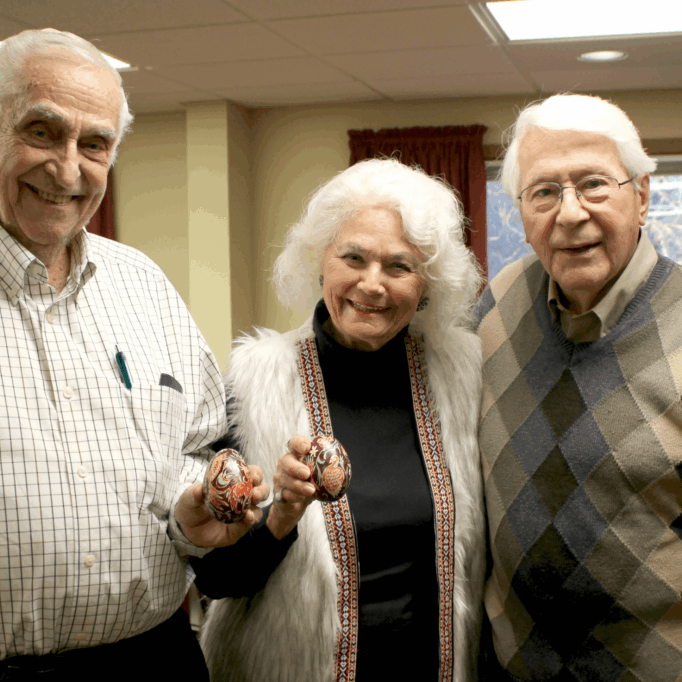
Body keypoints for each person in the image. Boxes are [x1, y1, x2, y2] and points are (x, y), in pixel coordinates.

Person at [0, 28, 268, 680]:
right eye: (42, 131)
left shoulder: (143, 284)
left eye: (94, 144)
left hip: (156, 659)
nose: (68, 169)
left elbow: (194, 450)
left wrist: (193, 506)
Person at [197, 158, 486, 681]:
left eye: (399, 266)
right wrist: (281, 516)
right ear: (320, 262)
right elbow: (215, 577)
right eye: (353, 257)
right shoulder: (253, 380)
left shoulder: (462, 375)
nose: (371, 284)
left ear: (428, 285)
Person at [476, 93, 682, 681]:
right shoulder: (498, 304)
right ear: (521, 210)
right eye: (544, 191)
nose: (569, 214)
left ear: (641, 196)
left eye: (594, 184)